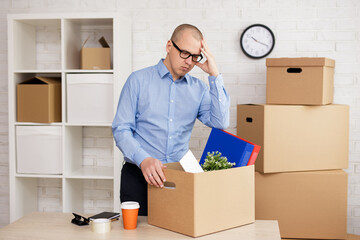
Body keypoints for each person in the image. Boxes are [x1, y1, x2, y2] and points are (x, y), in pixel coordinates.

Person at [112, 24, 230, 216]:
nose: (189, 62)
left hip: (179, 176)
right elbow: (121, 129)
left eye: (195, 56)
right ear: (169, 46)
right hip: (138, 174)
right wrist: (144, 160)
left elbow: (220, 122)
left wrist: (214, 75)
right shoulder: (138, 80)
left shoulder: (198, 89)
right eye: (184, 53)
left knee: (178, 232)